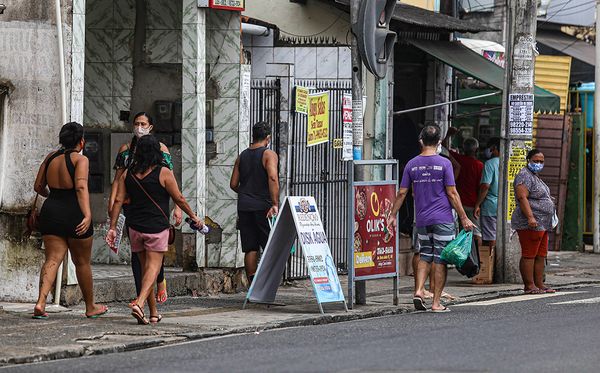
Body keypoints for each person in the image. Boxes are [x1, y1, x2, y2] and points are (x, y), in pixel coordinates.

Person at [106, 135, 204, 324]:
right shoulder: (163, 172)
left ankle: (152, 313)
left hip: (135, 228)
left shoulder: (128, 173)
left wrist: (112, 227)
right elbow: (179, 199)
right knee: (153, 268)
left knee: (146, 273)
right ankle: (139, 303)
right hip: (156, 229)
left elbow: (118, 200)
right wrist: (193, 216)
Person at [388, 124, 474, 312]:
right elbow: (452, 193)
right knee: (441, 259)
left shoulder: (411, 164)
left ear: (421, 140)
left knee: (425, 255)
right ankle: (436, 303)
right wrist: (464, 218)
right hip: (443, 218)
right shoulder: (445, 163)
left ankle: (419, 291)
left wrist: (392, 215)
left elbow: (402, 193)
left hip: (422, 221)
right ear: (439, 142)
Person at [33, 122, 107, 319]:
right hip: (74, 211)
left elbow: (38, 186)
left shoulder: (50, 158)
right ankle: (90, 306)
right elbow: (81, 188)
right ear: (81, 141)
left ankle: (41, 303)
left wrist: (53, 196)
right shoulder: (80, 160)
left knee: (52, 259)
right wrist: (87, 214)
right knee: (82, 262)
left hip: (51, 210)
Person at [108, 112, 182, 304]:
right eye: (136, 124)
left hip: (156, 206)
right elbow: (118, 179)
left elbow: (170, 179)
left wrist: (177, 207)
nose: (139, 127)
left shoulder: (160, 149)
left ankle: (160, 280)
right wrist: (113, 201)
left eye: (143, 124)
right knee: (137, 252)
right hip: (132, 206)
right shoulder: (126, 150)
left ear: (150, 127)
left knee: (156, 249)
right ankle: (141, 292)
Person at [229, 122, 279, 285]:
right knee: (270, 245)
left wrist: (246, 194)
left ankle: (252, 285)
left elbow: (233, 184)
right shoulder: (268, 154)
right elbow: (272, 178)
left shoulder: (241, 156)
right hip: (263, 207)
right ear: (268, 138)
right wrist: (275, 203)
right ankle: (267, 283)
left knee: (250, 247)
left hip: (244, 207)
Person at [511, 149, 556, 294]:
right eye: (535, 161)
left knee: (541, 254)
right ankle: (529, 286)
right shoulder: (524, 176)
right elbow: (522, 198)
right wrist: (530, 217)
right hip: (530, 222)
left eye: (541, 161)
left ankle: (539, 284)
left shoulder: (535, 176)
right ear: (528, 160)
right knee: (529, 254)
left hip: (543, 222)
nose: (538, 164)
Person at [450, 138, 484, 246]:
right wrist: (478, 205)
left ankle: (462, 258)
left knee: (460, 232)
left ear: (463, 149)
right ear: (477, 150)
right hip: (473, 204)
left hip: (458, 203)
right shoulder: (479, 165)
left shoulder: (458, 160)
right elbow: (482, 187)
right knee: (476, 233)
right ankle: (478, 260)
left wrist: (448, 135)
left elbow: (445, 150)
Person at [474, 137, 500, 247]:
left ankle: (489, 263)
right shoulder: (508, 162)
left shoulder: (490, 163)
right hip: (504, 208)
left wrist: (477, 205)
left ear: (493, 148)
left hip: (490, 206)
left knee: (489, 237)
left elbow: (485, 186)